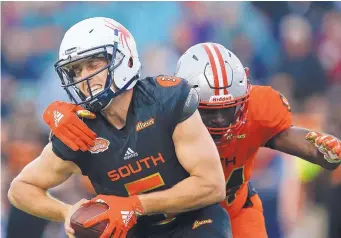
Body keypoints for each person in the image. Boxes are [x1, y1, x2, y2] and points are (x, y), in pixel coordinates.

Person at [7, 18, 232, 238]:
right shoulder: (79, 129)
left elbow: (212, 186)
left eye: (93, 65)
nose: (84, 77)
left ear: (125, 60)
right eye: (76, 71)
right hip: (130, 230)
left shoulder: (167, 100)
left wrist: (135, 205)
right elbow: (21, 188)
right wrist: (66, 211)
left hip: (194, 221)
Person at [174, 42, 341, 238]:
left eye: (229, 108)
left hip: (236, 210)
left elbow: (289, 137)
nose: (220, 120)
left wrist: (323, 149)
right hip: (177, 220)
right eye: (210, 111)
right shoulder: (160, 122)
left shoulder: (256, 110)